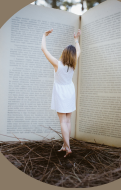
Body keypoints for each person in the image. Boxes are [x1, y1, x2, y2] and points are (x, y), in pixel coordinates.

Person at [41, 28, 81, 157]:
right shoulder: (73, 63)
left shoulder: (57, 64)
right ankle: (65, 145)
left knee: (63, 121)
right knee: (68, 121)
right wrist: (76, 40)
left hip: (60, 92)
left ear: (64, 53)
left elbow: (44, 50)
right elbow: (79, 51)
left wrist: (44, 36)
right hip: (70, 91)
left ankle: (68, 147)